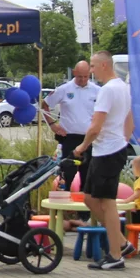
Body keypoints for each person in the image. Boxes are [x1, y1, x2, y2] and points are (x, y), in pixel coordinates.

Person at [74, 51, 135, 271]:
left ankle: (115, 255)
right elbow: (129, 121)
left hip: (108, 151)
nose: (90, 71)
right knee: (90, 198)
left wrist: (82, 146)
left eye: (92, 66)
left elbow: (95, 126)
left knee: (107, 202)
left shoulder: (108, 90)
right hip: (107, 150)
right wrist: (124, 139)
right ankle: (120, 241)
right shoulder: (123, 88)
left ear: (104, 65)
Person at [43, 61, 100, 190]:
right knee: (66, 176)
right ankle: (63, 207)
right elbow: (45, 104)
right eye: (80, 76)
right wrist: (52, 124)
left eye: (86, 76)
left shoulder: (97, 90)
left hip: (89, 139)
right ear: (74, 73)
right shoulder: (64, 89)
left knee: (88, 179)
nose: (83, 79)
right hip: (69, 138)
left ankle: (83, 210)